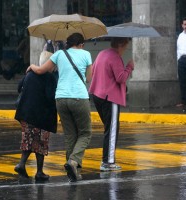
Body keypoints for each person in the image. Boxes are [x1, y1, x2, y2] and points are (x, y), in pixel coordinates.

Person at [26, 33, 92, 182]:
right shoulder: (86, 54)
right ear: (81, 44)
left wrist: (32, 66)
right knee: (85, 133)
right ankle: (73, 161)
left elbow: (42, 70)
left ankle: (72, 171)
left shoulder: (59, 54)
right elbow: (89, 78)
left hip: (61, 99)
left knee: (70, 134)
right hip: (79, 97)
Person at [89, 37, 134, 171]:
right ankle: (108, 162)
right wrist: (129, 67)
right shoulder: (115, 57)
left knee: (109, 128)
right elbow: (121, 78)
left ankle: (107, 160)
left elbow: (93, 71)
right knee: (112, 130)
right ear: (121, 44)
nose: (125, 49)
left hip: (97, 95)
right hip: (110, 97)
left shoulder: (102, 53)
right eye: (125, 46)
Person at [14, 51, 57, 182]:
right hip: (42, 116)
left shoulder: (29, 74)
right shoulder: (49, 78)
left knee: (28, 139)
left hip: (26, 114)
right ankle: (39, 171)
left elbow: (18, 87)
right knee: (41, 143)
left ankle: (22, 164)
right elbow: (50, 97)